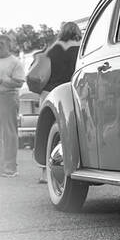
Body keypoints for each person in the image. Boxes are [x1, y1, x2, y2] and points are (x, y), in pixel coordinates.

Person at [38, 22, 82, 182]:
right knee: (71, 130)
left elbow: (42, 73)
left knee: (48, 133)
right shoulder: (81, 48)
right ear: (77, 32)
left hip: (49, 93)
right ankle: (74, 167)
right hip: (71, 92)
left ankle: (45, 173)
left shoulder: (53, 49)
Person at [0, 35, 25, 178]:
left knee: (9, 133)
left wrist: (3, 80)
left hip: (8, 97)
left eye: (1, 43)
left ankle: (10, 168)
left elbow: (19, 82)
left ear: (8, 45)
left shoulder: (15, 62)